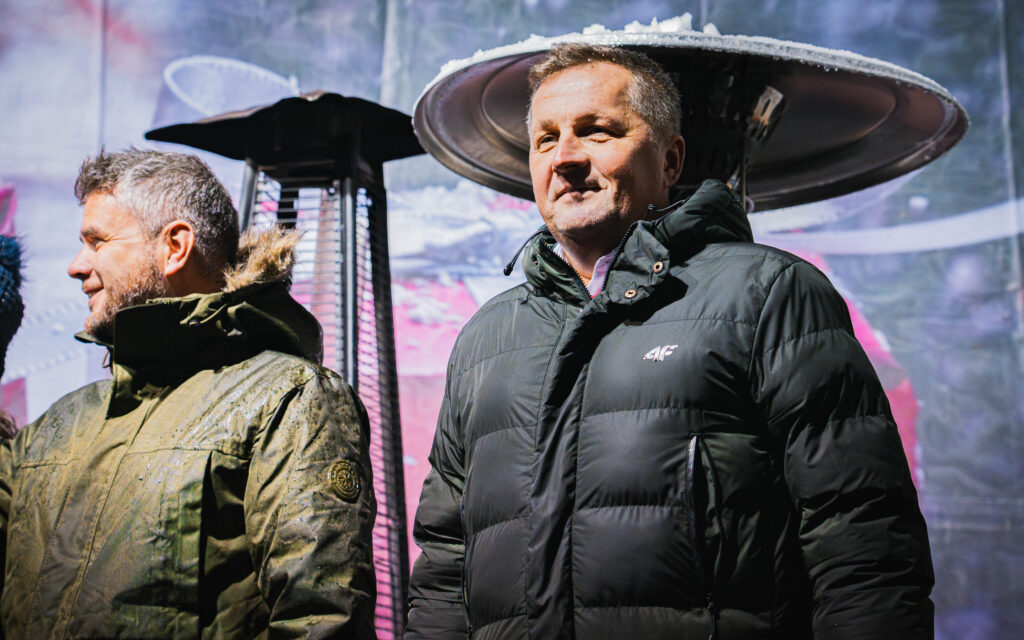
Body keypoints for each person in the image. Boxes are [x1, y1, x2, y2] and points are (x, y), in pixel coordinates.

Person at [406, 43, 933, 640]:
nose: (566, 157)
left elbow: (862, 538)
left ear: (671, 158)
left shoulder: (769, 295)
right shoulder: (485, 338)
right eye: (546, 139)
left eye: (598, 132)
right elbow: (444, 564)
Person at [0, 148, 377, 639]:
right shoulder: (58, 426)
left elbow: (320, 621)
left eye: (97, 241)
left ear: (175, 247)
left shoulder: (287, 401)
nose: (76, 266)